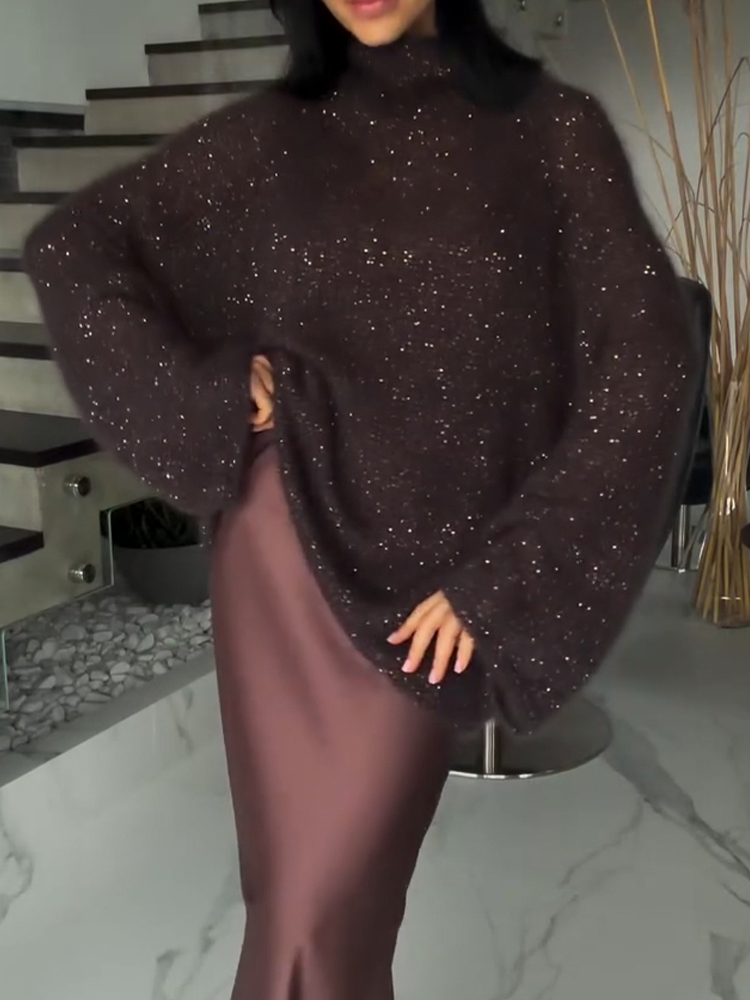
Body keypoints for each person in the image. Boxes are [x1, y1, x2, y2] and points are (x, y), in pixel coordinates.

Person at [23, 0, 701, 995]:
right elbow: (74, 247)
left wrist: (514, 571)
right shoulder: (275, 135)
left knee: (332, 912)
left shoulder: (552, 131)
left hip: (437, 584)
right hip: (279, 555)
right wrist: (209, 387)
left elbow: (649, 358)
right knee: (298, 911)